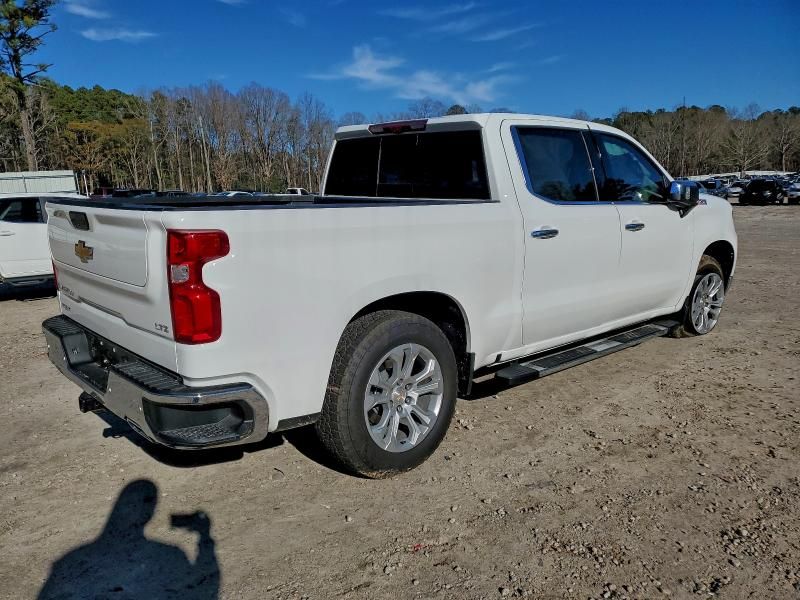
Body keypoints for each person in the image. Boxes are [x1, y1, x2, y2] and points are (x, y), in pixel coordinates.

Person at [38, 479, 219, 600]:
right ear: (151, 513)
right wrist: (205, 538)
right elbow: (205, 592)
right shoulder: (170, 556)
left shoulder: (72, 561)